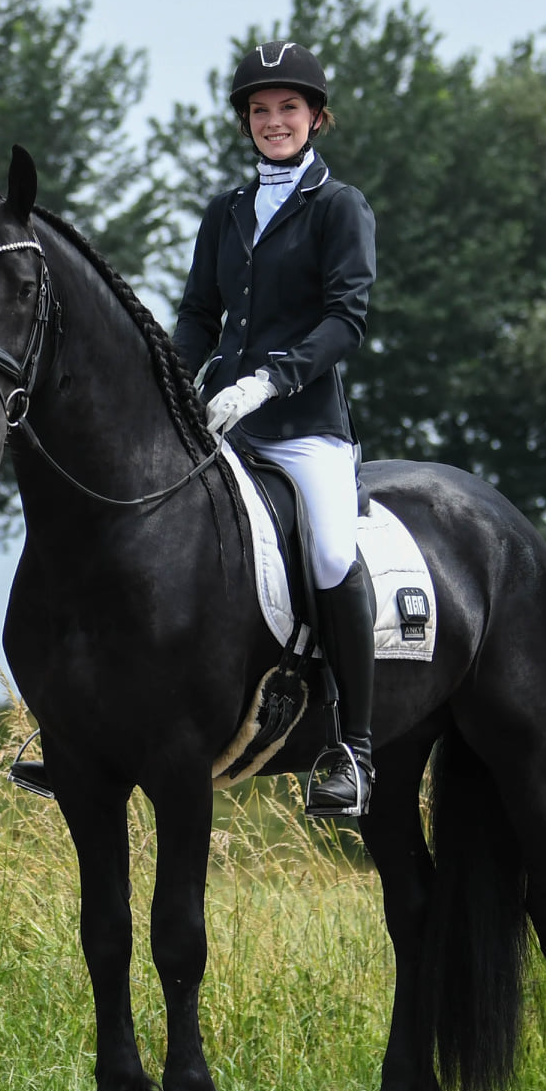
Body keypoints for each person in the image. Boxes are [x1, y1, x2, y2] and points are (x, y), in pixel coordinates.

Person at [172, 41, 378, 819]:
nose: (274, 121)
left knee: (329, 551)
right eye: (260, 110)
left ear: (317, 117)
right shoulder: (225, 212)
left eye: (289, 108)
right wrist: (175, 379)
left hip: (301, 426)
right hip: (222, 419)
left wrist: (270, 378)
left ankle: (352, 748)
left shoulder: (339, 207)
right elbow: (198, 315)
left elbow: (345, 319)